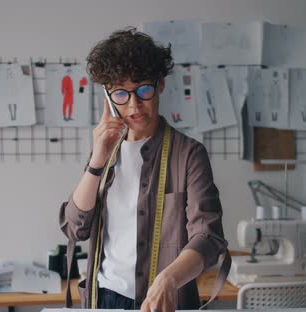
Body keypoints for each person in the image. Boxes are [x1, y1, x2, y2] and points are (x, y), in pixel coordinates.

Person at [59, 27, 227, 312]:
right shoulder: (106, 152)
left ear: (160, 84)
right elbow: (74, 227)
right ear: (108, 97)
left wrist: (168, 280)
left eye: (143, 90)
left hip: (164, 298)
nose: (134, 105)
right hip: (104, 298)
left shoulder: (188, 154)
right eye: (121, 94)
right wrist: (97, 159)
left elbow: (208, 237)